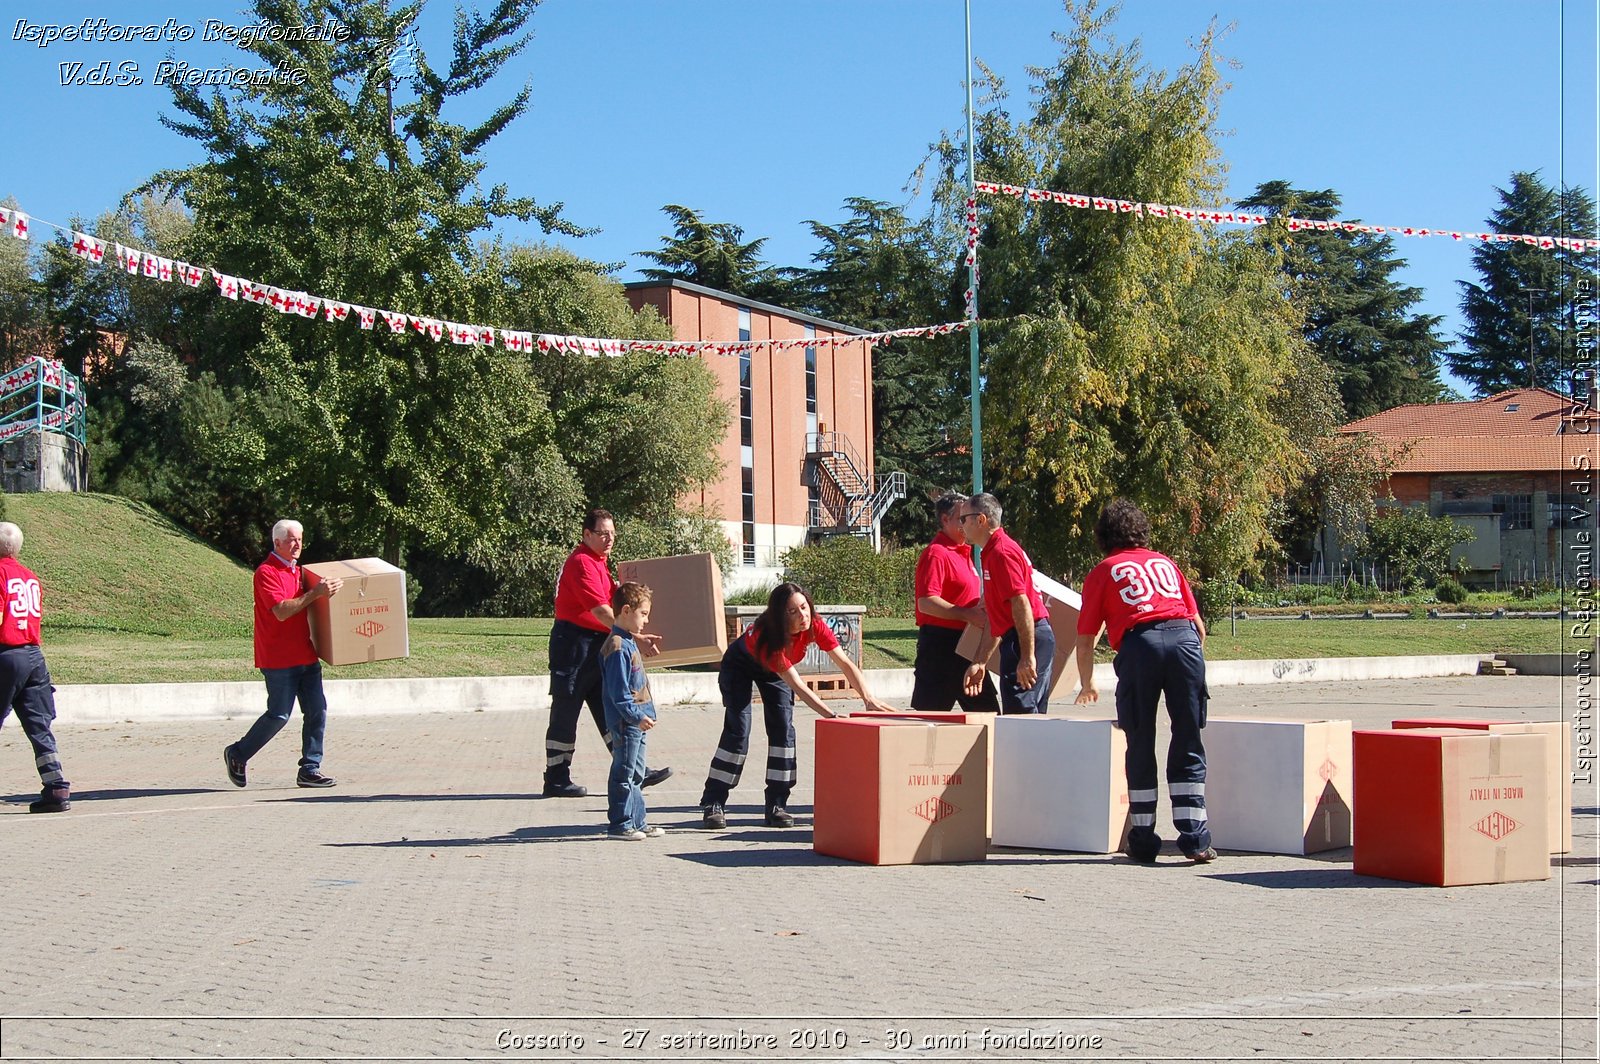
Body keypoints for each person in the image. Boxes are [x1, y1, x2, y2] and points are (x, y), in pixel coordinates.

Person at [1073, 498, 1214, 864]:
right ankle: (1195, 837)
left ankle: (1144, 838)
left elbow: (1086, 636)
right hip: (1184, 642)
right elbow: (1199, 626)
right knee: (1188, 735)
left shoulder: (1104, 570)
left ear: (1103, 535)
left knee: (1140, 739)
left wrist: (1087, 681)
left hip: (1140, 646)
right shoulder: (1165, 563)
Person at [700, 581, 891, 829]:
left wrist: (868, 698)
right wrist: (831, 716)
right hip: (740, 666)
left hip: (774, 672)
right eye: (793, 612)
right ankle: (713, 802)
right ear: (781, 617)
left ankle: (777, 805)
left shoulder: (816, 625)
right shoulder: (768, 638)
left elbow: (845, 664)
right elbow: (799, 686)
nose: (802, 616)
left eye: (804, 607)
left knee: (783, 731)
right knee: (738, 732)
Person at [544, 509, 670, 798]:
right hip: (573, 647)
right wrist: (635, 637)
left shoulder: (600, 563)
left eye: (612, 533)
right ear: (586, 534)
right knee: (566, 711)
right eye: (603, 533)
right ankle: (556, 779)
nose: (609, 538)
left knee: (610, 708)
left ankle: (634, 769)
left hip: (596, 645)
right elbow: (602, 611)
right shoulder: (582, 563)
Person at [224, 519, 342, 789]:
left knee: (317, 711)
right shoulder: (266, 572)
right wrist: (315, 593)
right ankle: (238, 754)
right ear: (277, 542)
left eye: (300, 539)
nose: (297, 544)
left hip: (306, 655)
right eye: (291, 540)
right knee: (278, 715)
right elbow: (282, 611)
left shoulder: (300, 572)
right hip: (278, 659)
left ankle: (310, 769)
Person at [959, 493, 1056, 714]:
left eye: (964, 519)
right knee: (1024, 715)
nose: (961, 525)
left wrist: (1027, 655)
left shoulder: (1001, 553)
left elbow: (1021, 603)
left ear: (981, 520)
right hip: (1022, 637)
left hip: (1026, 637)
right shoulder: (992, 552)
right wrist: (980, 661)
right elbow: (997, 616)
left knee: (1020, 716)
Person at [0, 522, 70, 813]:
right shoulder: (30, 577)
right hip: (34, 657)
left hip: (6, 654)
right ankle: (56, 788)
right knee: (39, 726)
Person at [911, 492, 999, 712]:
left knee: (987, 713)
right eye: (961, 518)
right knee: (930, 718)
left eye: (968, 518)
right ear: (944, 519)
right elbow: (926, 602)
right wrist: (967, 614)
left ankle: (988, 747)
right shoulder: (936, 553)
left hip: (966, 644)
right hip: (940, 646)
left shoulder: (964, 553)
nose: (966, 523)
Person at [599, 582, 665, 841]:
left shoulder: (627, 642)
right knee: (624, 772)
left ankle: (638, 820)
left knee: (637, 773)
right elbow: (619, 693)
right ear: (626, 610)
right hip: (627, 722)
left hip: (637, 722)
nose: (646, 621)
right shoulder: (616, 646)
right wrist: (637, 716)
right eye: (644, 614)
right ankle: (620, 823)